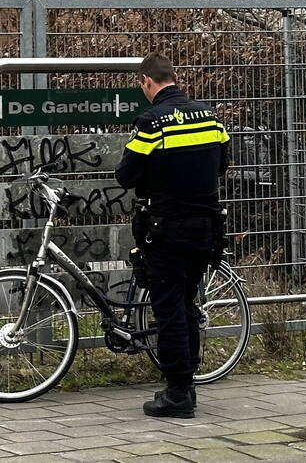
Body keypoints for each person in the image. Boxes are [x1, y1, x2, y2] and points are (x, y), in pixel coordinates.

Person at [115, 53, 230, 418]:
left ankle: (177, 393)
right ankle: (188, 386)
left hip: (165, 228)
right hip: (205, 227)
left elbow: (126, 174)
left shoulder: (152, 122)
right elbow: (222, 163)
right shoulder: (210, 116)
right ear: (174, 78)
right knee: (187, 305)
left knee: (168, 310)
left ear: (147, 82)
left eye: (142, 86)